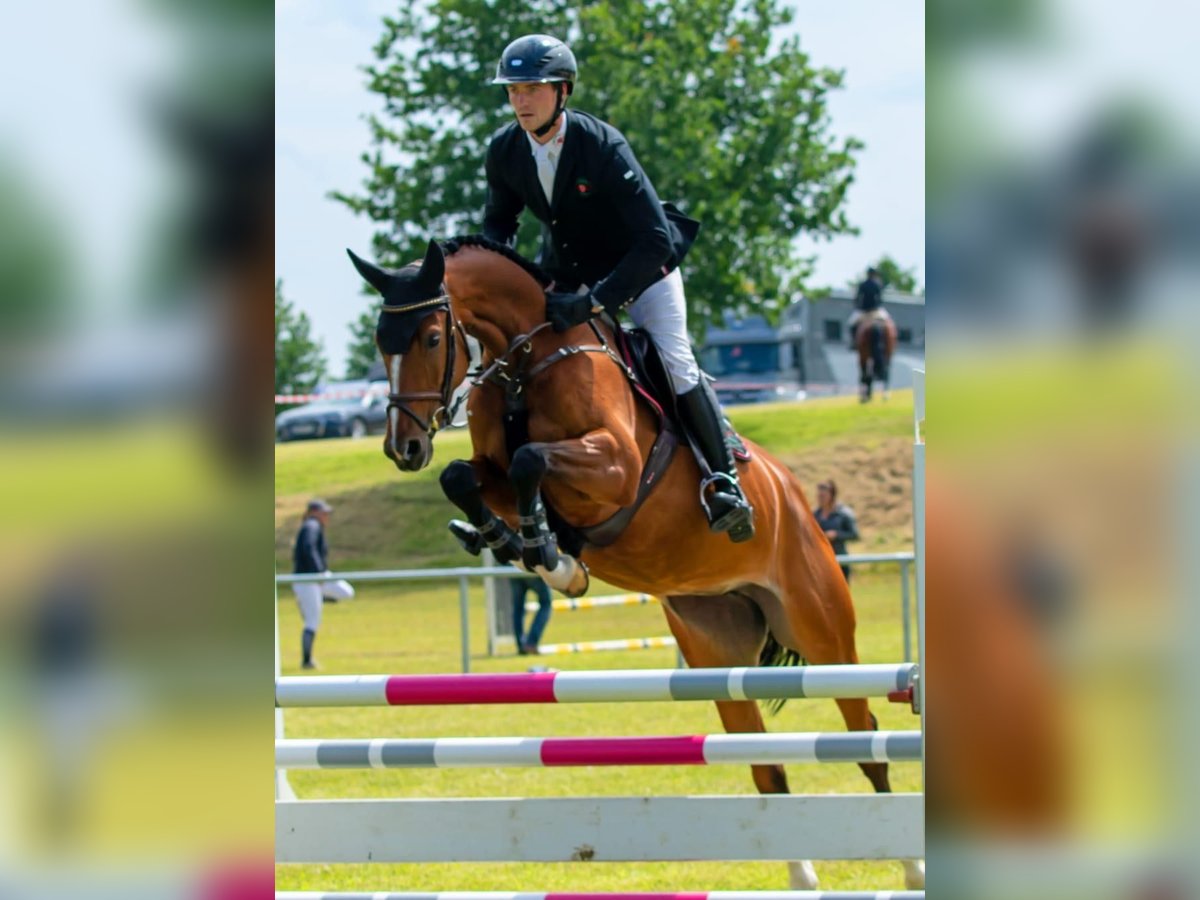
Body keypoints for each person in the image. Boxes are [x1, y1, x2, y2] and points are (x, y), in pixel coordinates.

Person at [481, 34, 754, 543]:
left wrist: (595, 301)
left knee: (675, 360)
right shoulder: (504, 150)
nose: (520, 101)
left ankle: (724, 481)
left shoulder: (602, 145)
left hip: (643, 269)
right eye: (513, 90)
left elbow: (653, 240)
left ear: (563, 91)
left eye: (532, 89)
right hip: (569, 272)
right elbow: (499, 223)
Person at [291, 498, 355, 669]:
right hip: (309, 578)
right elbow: (308, 548)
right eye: (323, 512)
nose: (326, 516)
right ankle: (306, 661)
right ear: (313, 512)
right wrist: (318, 572)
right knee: (312, 620)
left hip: (317, 577)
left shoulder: (313, 526)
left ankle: (317, 599)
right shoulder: (312, 526)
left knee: (346, 592)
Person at [813, 479, 859, 582]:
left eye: (823, 496)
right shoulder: (814, 515)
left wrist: (837, 535)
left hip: (840, 560)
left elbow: (854, 534)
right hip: (820, 562)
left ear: (832, 495)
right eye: (819, 496)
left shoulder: (844, 513)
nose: (820, 499)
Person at [510, 570, 553, 655]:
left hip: (513, 568)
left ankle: (521, 645)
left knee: (518, 608)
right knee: (546, 604)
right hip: (532, 568)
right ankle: (531, 643)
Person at [848, 266, 890, 349]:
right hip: (876, 310)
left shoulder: (863, 284)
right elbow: (880, 299)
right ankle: (887, 343)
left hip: (864, 311)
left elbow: (857, 298)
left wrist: (858, 306)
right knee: (888, 322)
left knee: (852, 324)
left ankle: (854, 342)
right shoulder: (878, 284)